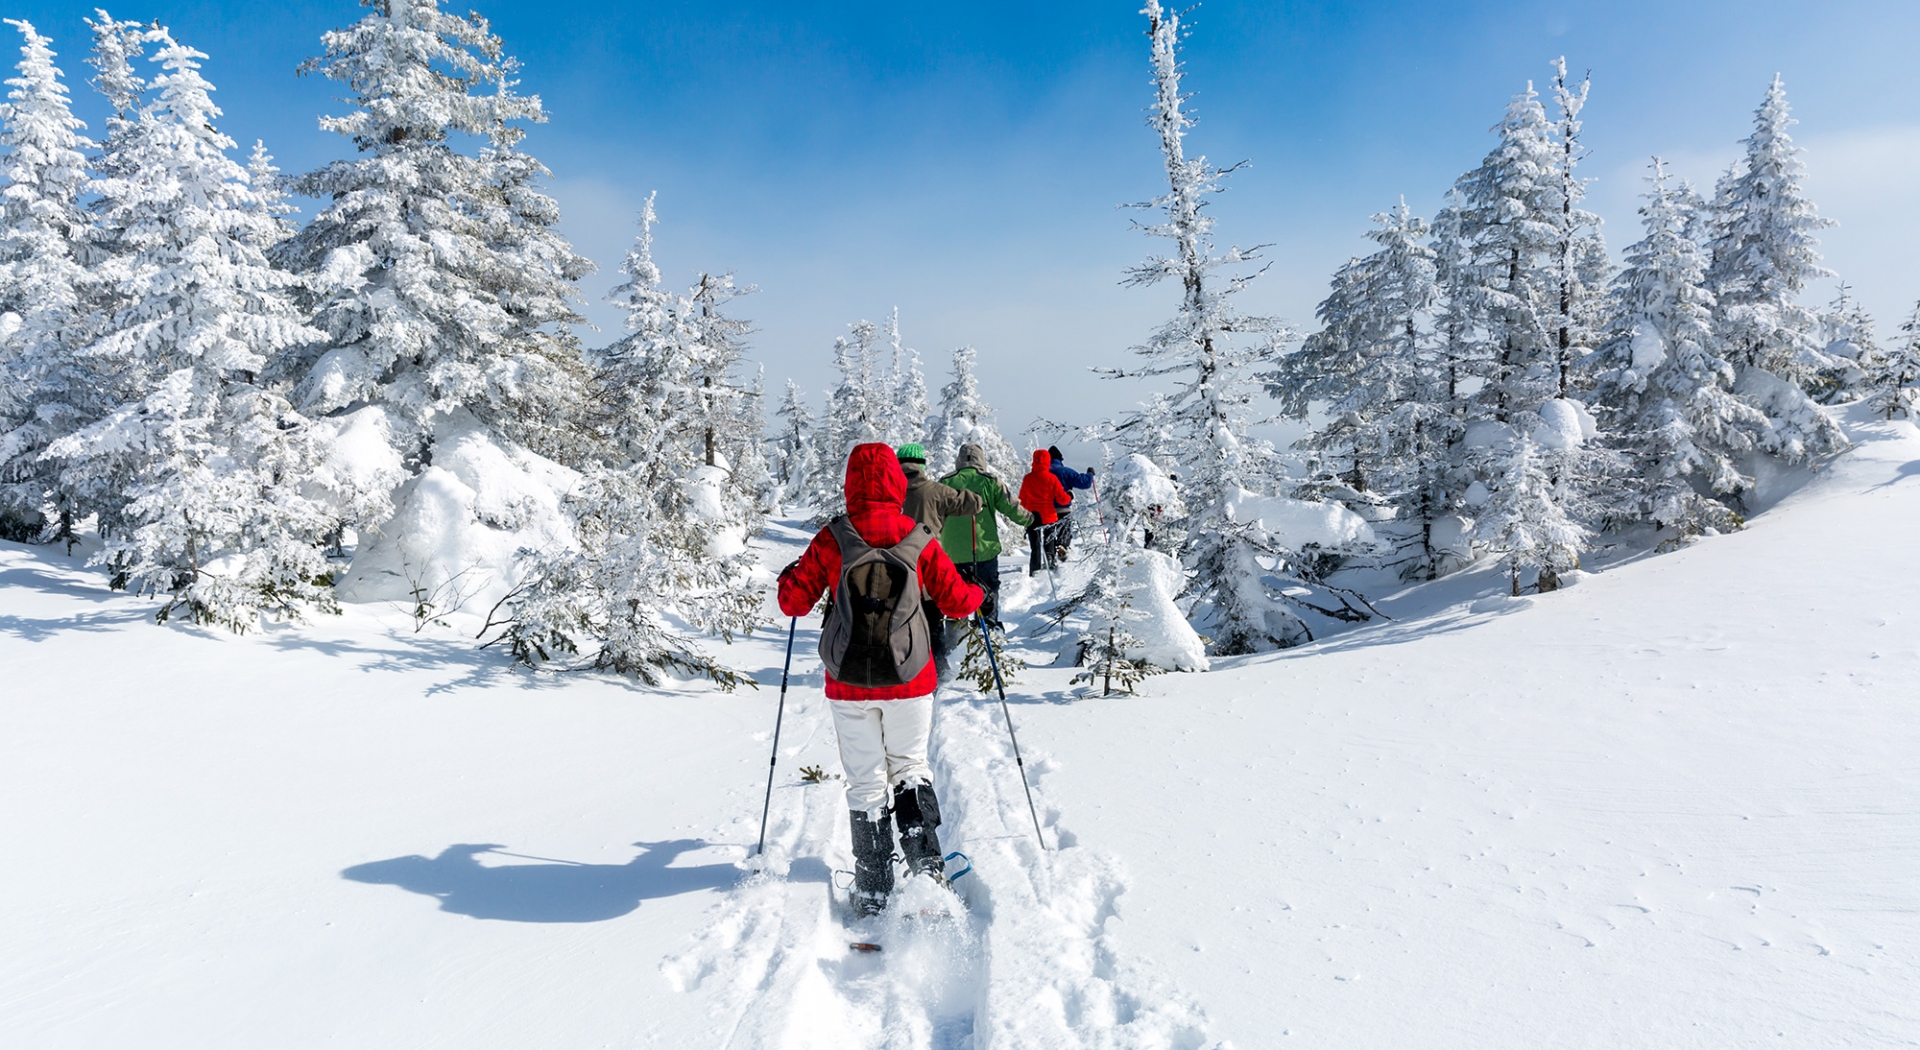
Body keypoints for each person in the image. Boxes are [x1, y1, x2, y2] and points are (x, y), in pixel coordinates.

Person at [777, 443, 984, 916]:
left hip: (848, 683)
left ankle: (872, 889)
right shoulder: (918, 537)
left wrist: (789, 576)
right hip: (910, 679)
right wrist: (977, 591)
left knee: (865, 782)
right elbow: (957, 602)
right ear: (894, 481)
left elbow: (793, 603)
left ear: (851, 483)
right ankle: (928, 872)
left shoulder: (834, 538)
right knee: (910, 766)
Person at [896, 442, 982, 676]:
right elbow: (972, 504)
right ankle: (938, 668)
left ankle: (903, 667)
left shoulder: (891, 493)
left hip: (894, 573)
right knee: (933, 621)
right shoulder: (934, 491)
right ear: (922, 465)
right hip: (928, 569)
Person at [938, 442, 1032, 626]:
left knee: (955, 599)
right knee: (987, 592)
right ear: (981, 460)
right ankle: (988, 631)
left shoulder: (945, 482)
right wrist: (1030, 519)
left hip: (952, 553)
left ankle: (955, 640)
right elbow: (1010, 508)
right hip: (983, 551)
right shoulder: (990, 481)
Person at [1018, 449, 1072, 575]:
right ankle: (1050, 560)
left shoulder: (1028, 479)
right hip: (1049, 517)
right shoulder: (1051, 478)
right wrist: (1069, 497)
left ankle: (1035, 570)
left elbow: (1022, 500)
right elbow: (1062, 499)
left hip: (1032, 517)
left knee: (1035, 546)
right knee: (1049, 541)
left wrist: (1024, 516)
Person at [1046, 445, 1095, 561]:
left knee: (1048, 533)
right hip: (1063, 508)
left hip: (1046, 510)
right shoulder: (1065, 471)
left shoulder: (1041, 473)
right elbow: (1084, 483)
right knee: (1064, 530)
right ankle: (1062, 545)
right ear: (1060, 459)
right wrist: (1090, 474)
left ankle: (1049, 553)